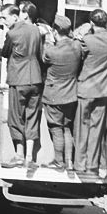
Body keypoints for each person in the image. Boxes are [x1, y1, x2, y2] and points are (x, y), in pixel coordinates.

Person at [74, 8, 107, 179]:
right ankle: (92, 164)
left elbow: (75, 40)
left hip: (86, 88)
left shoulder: (87, 40)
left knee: (82, 128)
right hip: (104, 91)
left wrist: (86, 27)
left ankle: (79, 162)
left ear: (92, 23)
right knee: (96, 129)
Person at [1, 1, 44, 168]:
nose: (3, 21)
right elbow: (40, 54)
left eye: (4, 18)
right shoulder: (35, 30)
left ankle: (19, 155)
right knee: (33, 117)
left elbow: (5, 53)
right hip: (36, 79)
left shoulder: (12, 34)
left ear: (14, 16)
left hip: (18, 79)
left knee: (16, 118)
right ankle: (29, 157)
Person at [40, 14, 82, 173]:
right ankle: (69, 162)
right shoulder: (77, 47)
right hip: (71, 94)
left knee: (56, 128)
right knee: (66, 128)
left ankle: (59, 162)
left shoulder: (51, 51)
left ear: (55, 31)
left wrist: (48, 39)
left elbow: (44, 58)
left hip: (53, 95)